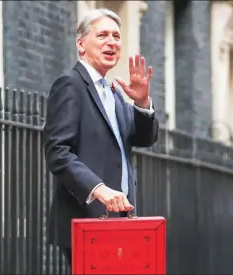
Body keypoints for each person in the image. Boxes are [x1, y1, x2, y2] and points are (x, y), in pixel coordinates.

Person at [42, 8, 159, 271]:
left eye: (116, 36)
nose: (112, 42)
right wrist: (99, 189)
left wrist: (141, 102)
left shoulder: (115, 92)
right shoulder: (70, 85)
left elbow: (144, 138)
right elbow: (57, 152)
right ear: (81, 45)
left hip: (120, 217)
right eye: (103, 35)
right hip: (88, 218)